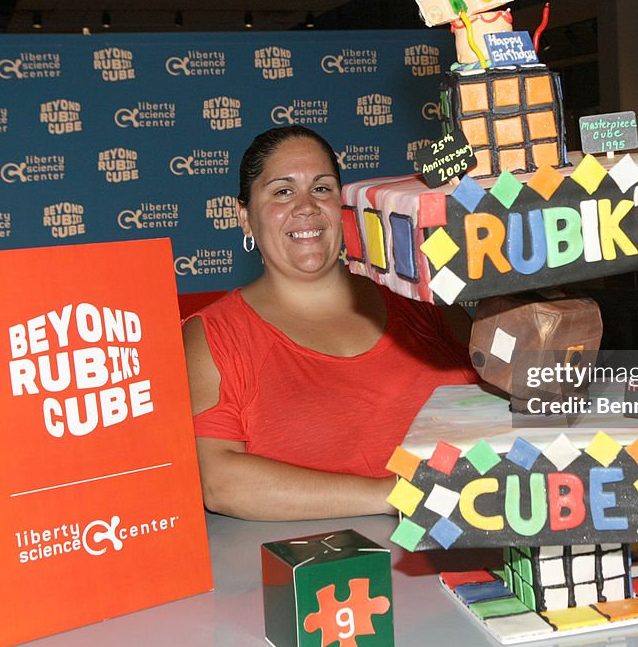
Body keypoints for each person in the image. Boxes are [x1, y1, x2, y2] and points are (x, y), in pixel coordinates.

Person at [183, 125, 477, 521]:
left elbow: (508, 391)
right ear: (245, 217)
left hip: (492, 541)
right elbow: (219, 481)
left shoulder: (418, 297)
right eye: (282, 191)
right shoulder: (214, 335)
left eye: (321, 188)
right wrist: (396, 496)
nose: (306, 206)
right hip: (338, 572)